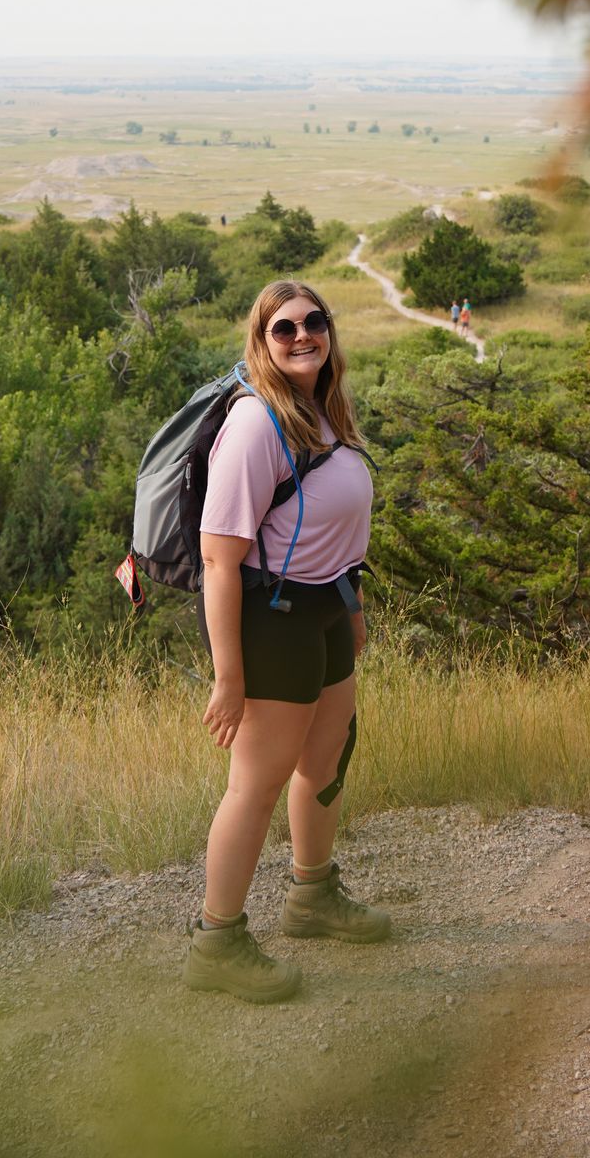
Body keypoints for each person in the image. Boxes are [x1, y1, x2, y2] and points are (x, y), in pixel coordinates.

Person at [183, 278, 391, 1004]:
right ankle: (218, 940)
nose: (303, 336)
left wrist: (353, 610)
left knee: (328, 755)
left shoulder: (323, 410)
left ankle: (312, 897)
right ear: (262, 340)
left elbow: (337, 529)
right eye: (284, 329)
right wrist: (228, 676)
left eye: (315, 322)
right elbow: (219, 558)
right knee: (257, 785)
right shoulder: (256, 425)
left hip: (327, 608)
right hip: (273, 619)